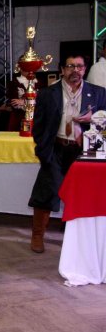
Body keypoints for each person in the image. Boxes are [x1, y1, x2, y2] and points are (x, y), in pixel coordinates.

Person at [28, 54, 106, 253]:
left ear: (85, 69)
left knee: (82, 195)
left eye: (79, 66)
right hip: (56, 148)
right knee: (46, 192)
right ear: (62, 69)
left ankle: (78, 238)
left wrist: (93, 119)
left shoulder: (98, 93)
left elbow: (104, 124)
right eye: (71, 66)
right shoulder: (48, 94)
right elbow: (38, 127)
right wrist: (43, 150)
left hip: (84, 152)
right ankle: (37, 235)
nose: (75, 70)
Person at [0, 67, 40, 131]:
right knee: (24, 134)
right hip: (20, 118)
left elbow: (43, 101)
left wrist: (24, 102)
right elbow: (14, 102)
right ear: (20, 69)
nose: (29, 71)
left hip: (37, 118)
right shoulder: (14, 82)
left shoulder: (38, 82)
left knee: (35, 135)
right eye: (26, 67)